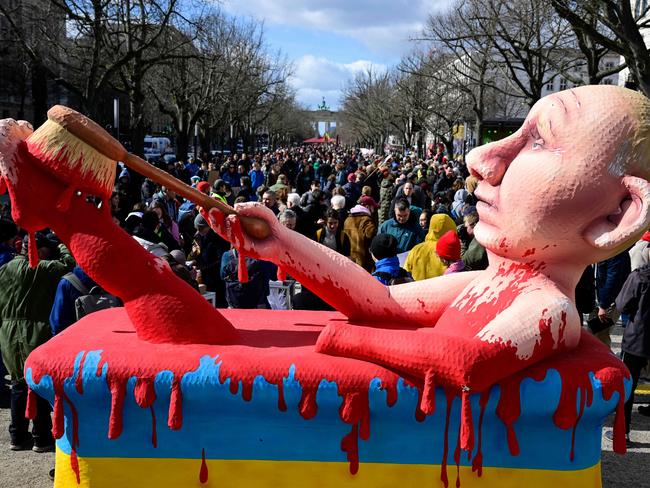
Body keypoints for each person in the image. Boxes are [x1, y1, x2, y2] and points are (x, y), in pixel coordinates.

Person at [205, 85, 650, 395]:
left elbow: (466, 362)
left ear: (618, 214)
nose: (479, 157)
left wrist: (342, 339)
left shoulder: (550, 309)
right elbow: (380, 300)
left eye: (538, 141)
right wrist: (280, 242)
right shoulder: (488, 283)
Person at [0, 233, 75, 451]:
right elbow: (68, 263)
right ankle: (41, 438)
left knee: (17, 383)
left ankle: (17, 436)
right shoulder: (43, 268)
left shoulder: (3, 270)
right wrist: (62, 245)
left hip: (6, 332)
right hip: (35, 331)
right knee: (37, 384)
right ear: (40, 250)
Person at [606, 261, 650, 445]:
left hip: (639, 338)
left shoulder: (640, 276)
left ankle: (622, 432)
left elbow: (623, 305)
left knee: (628, 386)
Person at [404, 213, 456, 280]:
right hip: (442, 288)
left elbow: (406, 271)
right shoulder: (449, 250)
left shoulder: (416, 249)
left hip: (418, 288)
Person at [343, 196, 378, 271]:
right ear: (367, 206)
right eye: (373, 207)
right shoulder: (366, 220)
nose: (374, 210)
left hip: (350, 258)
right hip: (363, 260)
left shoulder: (347, 219)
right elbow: (370, 234)